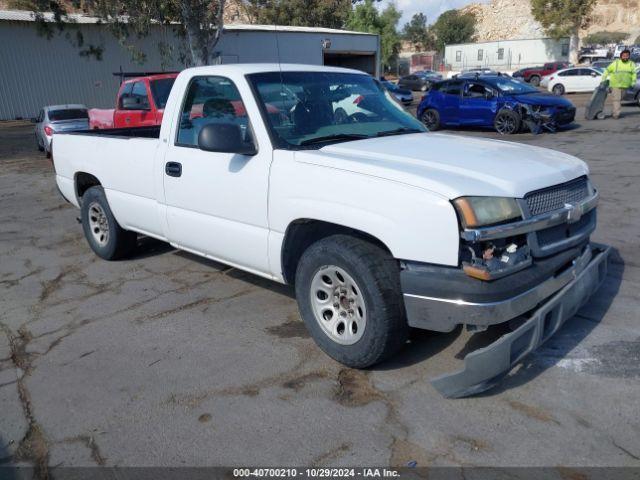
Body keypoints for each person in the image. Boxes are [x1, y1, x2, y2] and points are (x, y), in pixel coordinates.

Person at [602, 49, 637, 119]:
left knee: (619, 99)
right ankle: (616, 114)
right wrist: (603, 79)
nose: (625, 57)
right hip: (615, 85)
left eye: (627, 56)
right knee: (617, 100)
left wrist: (633, 82)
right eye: (624, 56)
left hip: (625, 85)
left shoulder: (631, 64)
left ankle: (614, 111)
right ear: (621, 56)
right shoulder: (616, 63)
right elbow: (607, 70)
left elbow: (634, 74)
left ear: (629, 56)